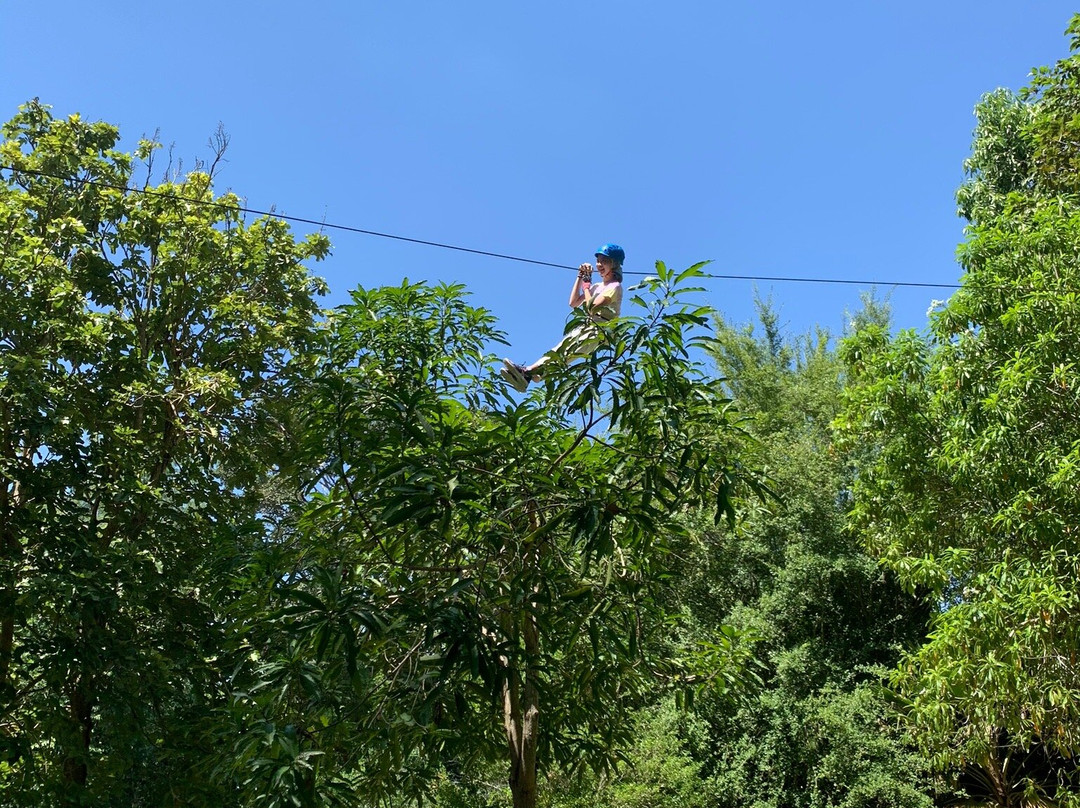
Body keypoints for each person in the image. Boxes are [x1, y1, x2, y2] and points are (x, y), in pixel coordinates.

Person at [501, 243, 625, 392]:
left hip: (599, 330)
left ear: (614, 264)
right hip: (588, 326)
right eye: (598, 261)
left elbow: (592, 307)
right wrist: (580, 278)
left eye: (604, 261)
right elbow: (573, 303)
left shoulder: (615, 287)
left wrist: (586, 287)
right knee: (559, 349)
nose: (599, 265)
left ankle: (529, 373)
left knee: (567, 353)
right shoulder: (597, 287)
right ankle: (528, 374)